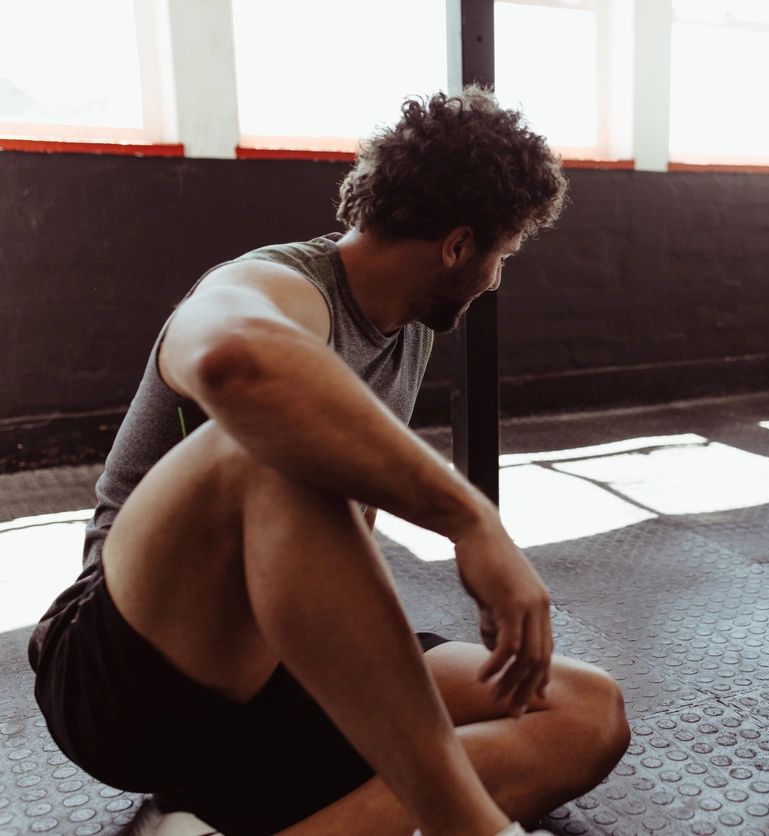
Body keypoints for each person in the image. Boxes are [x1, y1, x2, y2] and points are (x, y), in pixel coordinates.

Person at [28, 87, 630, 836]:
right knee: (270, 451)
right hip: (125, 684)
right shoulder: (273, 285)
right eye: (501, 256)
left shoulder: (408, 327)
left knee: (585, 710)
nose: (497, 278)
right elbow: (232, 362)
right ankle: (469, 826)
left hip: (276, 680)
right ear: (457, 246)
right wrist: (472, 521)